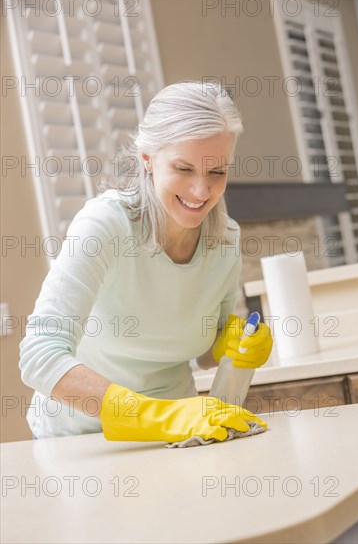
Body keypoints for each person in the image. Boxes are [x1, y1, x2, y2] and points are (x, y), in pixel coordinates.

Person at [19, 81, 272, 442]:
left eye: (217, 172)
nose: (202, 192)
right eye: (183, 169)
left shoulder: (224, 239)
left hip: (178, 440)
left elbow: (197, 352)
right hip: (78, 441)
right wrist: (152, 414)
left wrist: (224, 346)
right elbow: (39, 356)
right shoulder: (106, 225)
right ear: (148, 160)